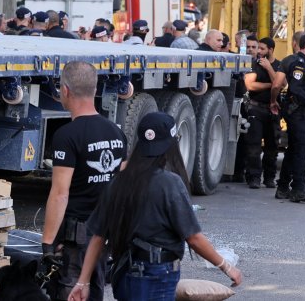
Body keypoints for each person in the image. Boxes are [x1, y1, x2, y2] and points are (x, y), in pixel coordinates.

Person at [67, 112, 243, 301]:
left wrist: (83, 282)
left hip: (124, 273)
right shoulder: (170, 184)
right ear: (171, 144)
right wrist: (226, 266)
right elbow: (194, 239)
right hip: (156, 275)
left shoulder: (118, 183)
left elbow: (98, 237)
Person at [41, 62, 127, 301]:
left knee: (73, 292)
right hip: (105, 233)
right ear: (95, 88)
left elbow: (60, 193)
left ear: (65, 91)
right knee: (95, 290)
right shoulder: (116, 133)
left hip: (77, 238)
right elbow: (121, 186)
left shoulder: (67, 135)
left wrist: (47, 243)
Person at [274, 31, 305, 203]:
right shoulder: (299, 64)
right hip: (298, 113)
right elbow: (295, 88)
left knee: (294, 149)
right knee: (302, 150)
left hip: (303, 112)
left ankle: (282, 187)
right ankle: (298, 189)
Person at [242, 37, 281, 189]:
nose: (258, 52)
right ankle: (254, 177)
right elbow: (250, 85)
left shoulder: (279, 65)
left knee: (272, 146)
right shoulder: (254, 64)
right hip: (255, 108)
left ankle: (269, 178)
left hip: (273, 110)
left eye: (262, 49)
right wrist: (272, 84)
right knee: (253, 145)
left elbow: (283, 84)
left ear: (270, 50)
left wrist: (270, 69)